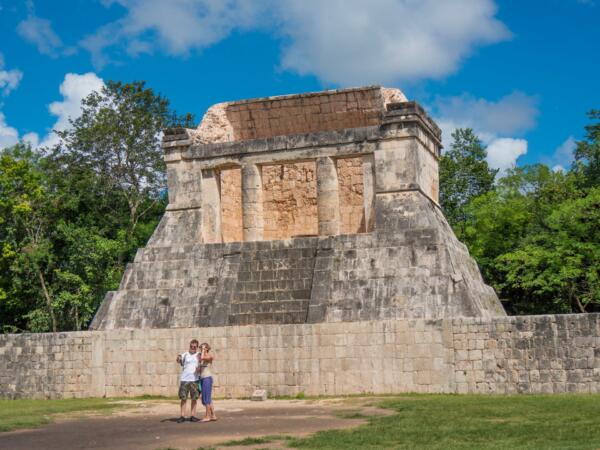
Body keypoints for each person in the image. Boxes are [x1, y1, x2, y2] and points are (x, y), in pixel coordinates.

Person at [175, 339, 201, 423]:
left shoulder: (199, 355)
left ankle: (193, 416)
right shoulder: (185, 354)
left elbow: (204, 361)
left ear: (197, 347)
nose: (193, 348)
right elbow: (178, 359)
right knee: (183, 398)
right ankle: (182, 416)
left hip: (195, 380)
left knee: (194, 399)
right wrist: (178, 358)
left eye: (194, 346)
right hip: (185, 379)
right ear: (189, 346)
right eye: (191, 346)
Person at [198, 342, 217, 422]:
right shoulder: (201, 356)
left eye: (203, 347)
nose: (201, 349)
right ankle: (213, 415)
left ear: (207, 348)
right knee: (207, 398)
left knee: (206, 398)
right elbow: (200, 362)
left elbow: (202, 358)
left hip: (207, 378)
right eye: (201, 348)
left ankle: (207, 416)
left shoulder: (210, 356)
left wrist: (203, 350)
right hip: (202, 378)